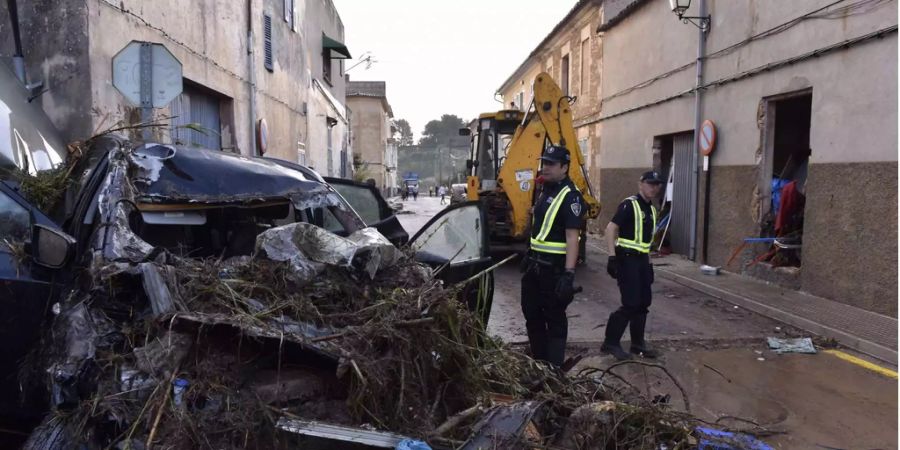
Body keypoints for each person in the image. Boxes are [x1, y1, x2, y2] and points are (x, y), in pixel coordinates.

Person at [520, 145, 585, 367]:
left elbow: (572, 237)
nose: (544, 167)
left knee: (554, 319)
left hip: (554, 269)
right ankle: (540, 364)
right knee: (532, 315)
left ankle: (554, 369)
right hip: (535, 266)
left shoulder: (571, 196)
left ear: (564, 167)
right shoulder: (546, 190)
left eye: (550, 164)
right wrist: (529, 252)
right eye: (543, 162)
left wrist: (569, 274)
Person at [601, 171, 664, 361]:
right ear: (641, 184)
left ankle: (638, 344)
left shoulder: (652, 210)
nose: (653, 188)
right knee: (630, 303)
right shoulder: (629, 204)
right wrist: (612, 257)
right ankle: (610, 343)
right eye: (650, 184)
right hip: (626, 259)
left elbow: (647, 242)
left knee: (643, 303)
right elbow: (611, 228)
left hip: (642, 261)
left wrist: (650, 265)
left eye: (656, 184)